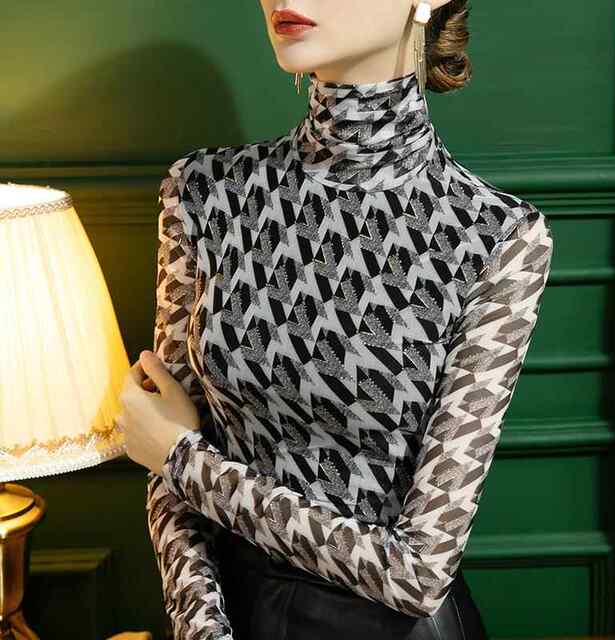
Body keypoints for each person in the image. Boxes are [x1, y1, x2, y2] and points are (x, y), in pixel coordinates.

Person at [119, 0, 554, 638]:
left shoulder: (497, 237)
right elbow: (163, 453)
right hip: (226, 611)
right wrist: (203, 628)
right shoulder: (203, 191)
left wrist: (186, 460)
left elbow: (419, 573)